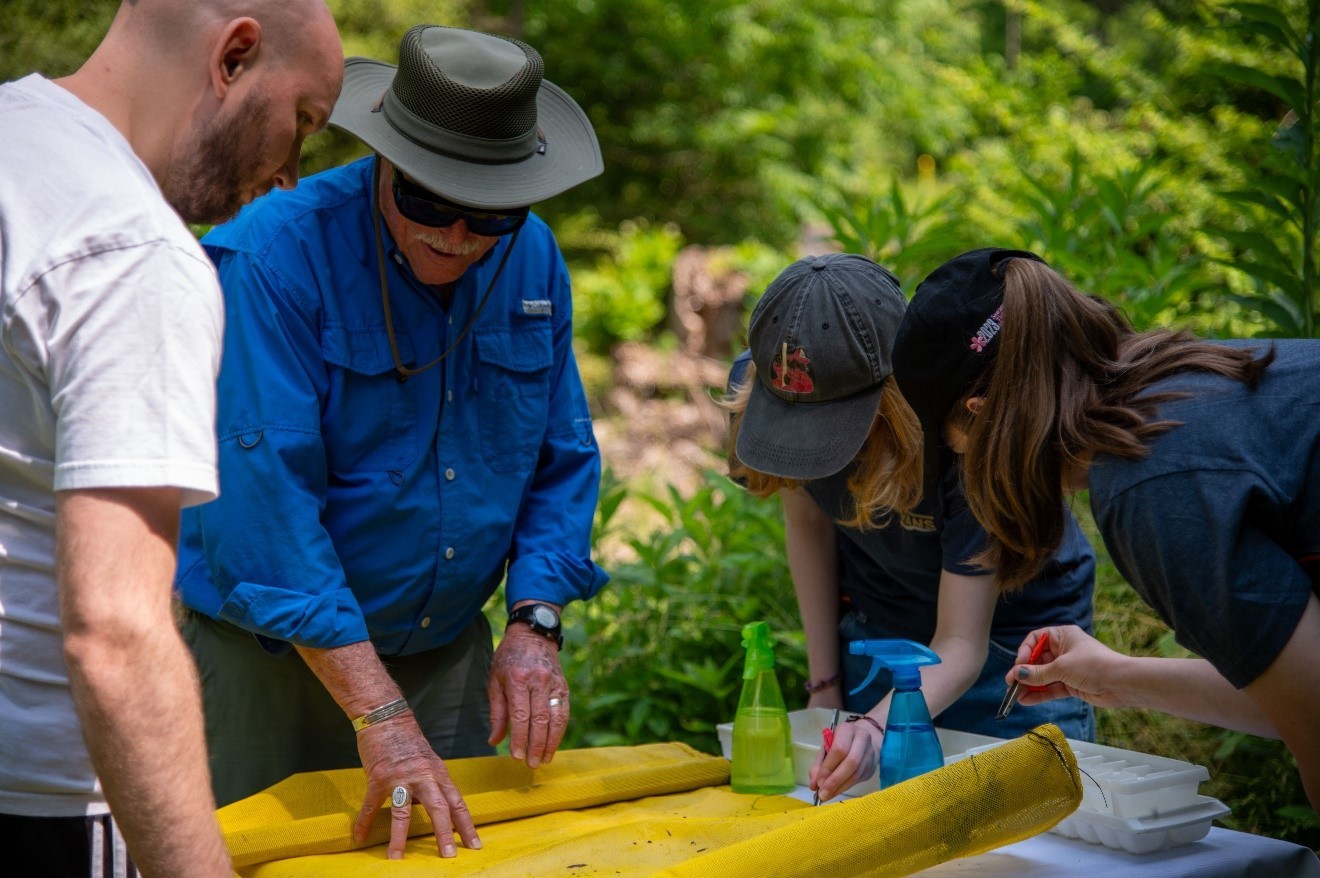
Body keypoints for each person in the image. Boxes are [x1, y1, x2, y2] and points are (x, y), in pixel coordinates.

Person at [174, 24, 609, 861]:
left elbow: (562, 454)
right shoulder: (269, 259)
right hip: (276, 664)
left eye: (489, 217)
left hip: (444, 654)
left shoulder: (536, 260)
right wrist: (379, 713)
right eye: (426, 204)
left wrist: (535, 621)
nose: (455, 237)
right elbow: (265, 510)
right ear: (385, 163)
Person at [0, 2, 343, 876]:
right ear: (234, 57)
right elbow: (115, 629)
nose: (292, 176)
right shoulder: (132, 253)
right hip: (39, 801)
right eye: (302, 121)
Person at [889, 246, 1320, 811]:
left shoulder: (1152, 481)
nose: (962, 464)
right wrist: (1116, 677)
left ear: (981, 410)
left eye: (953, 445)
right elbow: (1297, 697)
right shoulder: (1184, 385)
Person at [723, 253, 1095, 803]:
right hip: (880, 634)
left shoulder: (962, 431)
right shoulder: (768, 386)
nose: (814, 451)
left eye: (828, 429)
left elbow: (962, 643)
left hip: (1008, 650)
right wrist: (824, 687)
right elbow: (806, 517)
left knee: (1019, 836)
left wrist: (873, 727)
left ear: (891, 398)